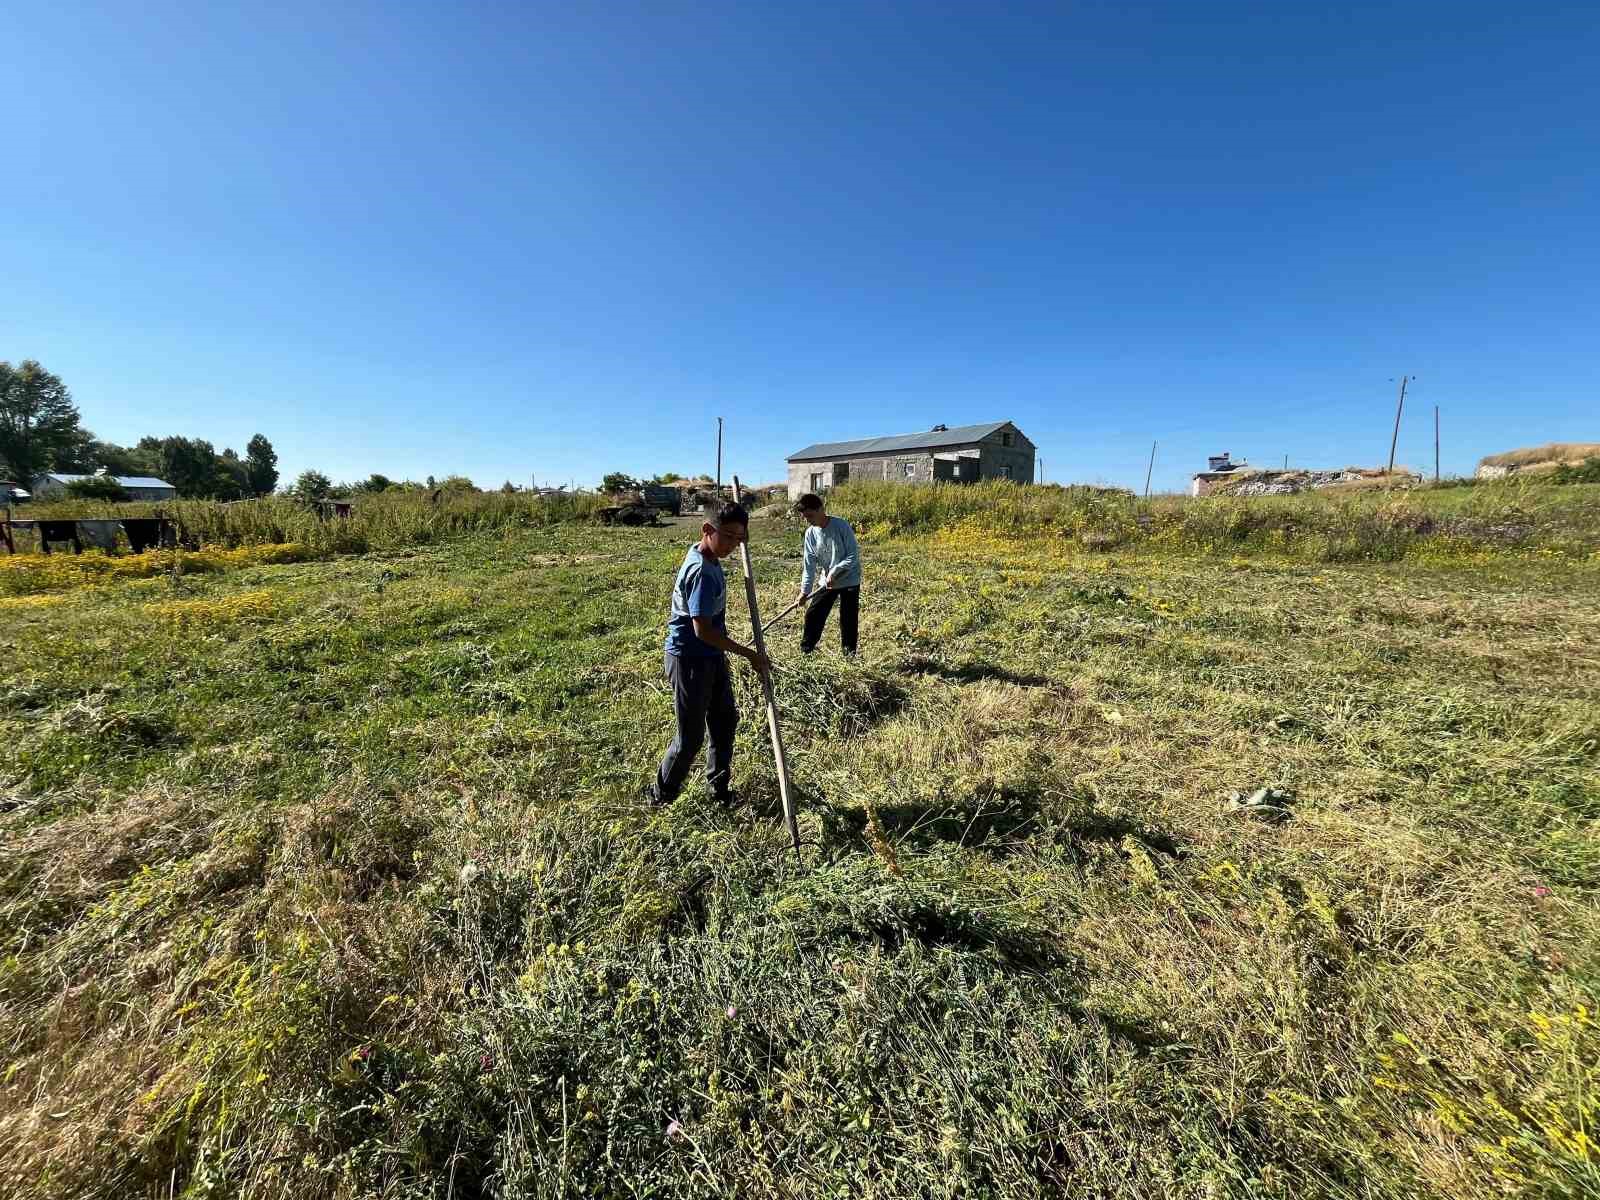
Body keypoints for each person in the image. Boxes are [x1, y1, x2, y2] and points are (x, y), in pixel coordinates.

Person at [652, 502, 771, 806]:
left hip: (711, 656)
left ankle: (718, 790)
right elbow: (702, 631)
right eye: (728, 536)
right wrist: (748, 654)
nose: (733, 545)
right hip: (690, 660)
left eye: (739, 539)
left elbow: (709, 634)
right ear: (706, 529)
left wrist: (738, 534)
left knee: (724, 721)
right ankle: (661, 796)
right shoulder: (701, 571)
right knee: (690, 738)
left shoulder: (709, 555)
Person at [794, 493, 862, 656]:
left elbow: (853, 555)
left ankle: (849, 655)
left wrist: (836, 571)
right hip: (827, 582)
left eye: (810, 516)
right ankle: (806, 651)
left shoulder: (841, 526)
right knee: (813, 614)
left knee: (848, 619)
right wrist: (804, 591)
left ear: (821, 509)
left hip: (850, 579)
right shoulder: (810, 534)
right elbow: (809, 566)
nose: (808, 520)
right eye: (805, 517)